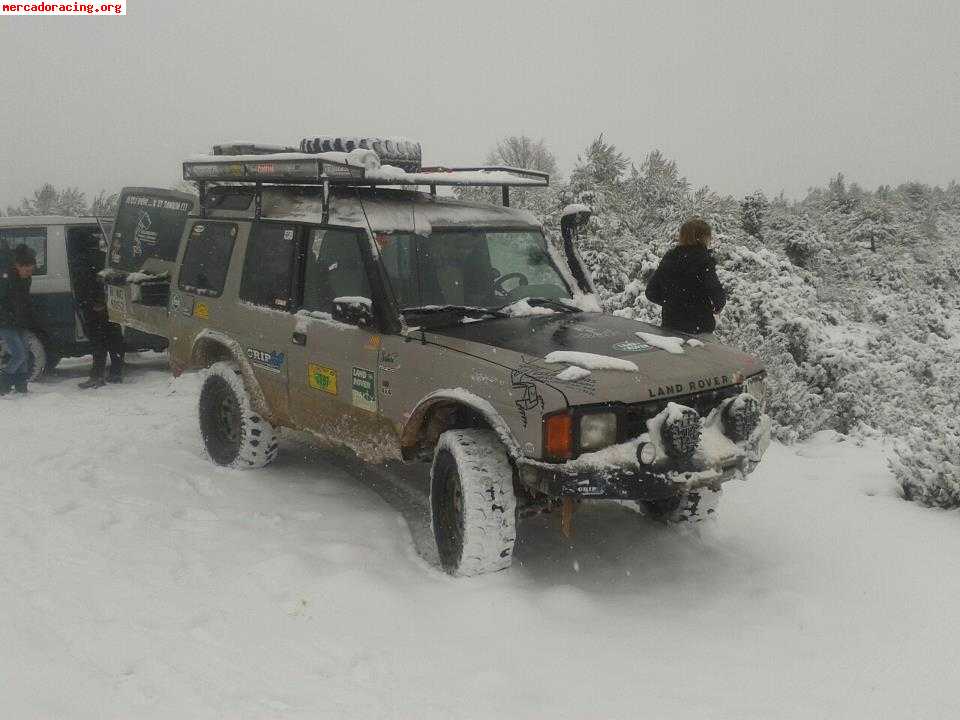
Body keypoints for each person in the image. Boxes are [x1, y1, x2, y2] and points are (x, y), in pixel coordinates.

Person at [645, 218, 726, 338]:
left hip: (670, 328)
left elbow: (651, 292)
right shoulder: (703, 260)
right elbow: (716, 294)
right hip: (699, 330)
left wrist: (672, 303)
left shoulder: (670, 258)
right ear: (703, 237)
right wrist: (713, 306)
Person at [74, 245, 124, 389]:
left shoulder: (82, 261)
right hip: (108, 305)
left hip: (96, 307)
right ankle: (115, 372)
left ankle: (97, 376)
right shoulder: (106, 257)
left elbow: (88, 284)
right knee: (113, 339)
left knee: (98, 342)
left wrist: (94, 302)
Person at [0, 244, 38, 395]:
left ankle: (21, 384)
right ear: (17, 266)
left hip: (20, 321)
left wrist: (28, 317)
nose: (29, 274)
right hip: (5, 321)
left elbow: (25, 301)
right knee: (19, 354)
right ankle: (3, 381)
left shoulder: (26, 279)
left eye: (32, 271)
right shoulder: (5, 279)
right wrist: (7, 316)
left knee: (25, 353)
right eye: (27, 270)